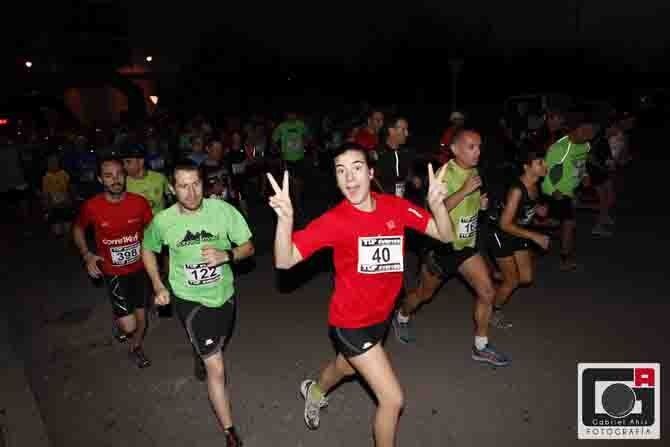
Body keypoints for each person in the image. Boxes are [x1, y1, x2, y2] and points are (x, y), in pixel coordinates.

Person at [267, 143, 454, 447]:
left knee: (345, 367)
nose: (349, 178)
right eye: (341, 171)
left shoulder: (395, 207)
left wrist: (438, 205)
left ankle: (314, 391)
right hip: (349, 322)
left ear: (370, 173)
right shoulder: (335, 220)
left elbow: (445, 234)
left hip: (381, 317)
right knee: (392, 399)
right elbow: (284, 260)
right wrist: (285, 220)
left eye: (356, 168)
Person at [142, 160, 254, 447]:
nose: (191, 193)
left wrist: (226, 255)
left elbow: (248, 247)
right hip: (189, 299)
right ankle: (229, 432)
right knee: (216, 367)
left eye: (196, 184)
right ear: (172, 188)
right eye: (183, 186)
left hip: (224, 295)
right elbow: (148, 248)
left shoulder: (222, 210)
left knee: (217, 343)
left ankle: (200, 349)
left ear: (203, 183)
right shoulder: (163, 221)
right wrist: (158, 284)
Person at [393, 129, 511, 367]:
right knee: (423, 295)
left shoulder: (473, 170)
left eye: (479, 146)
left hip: (466, 247)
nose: (477, 152)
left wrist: (480, 205)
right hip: (442, 247)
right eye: (471, 147)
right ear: (455, 149)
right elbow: (435, 208)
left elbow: (467, 206)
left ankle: (480, 346)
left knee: (487, 292)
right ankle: (402, 315)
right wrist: (465, 190)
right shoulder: (445, 173)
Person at [72, 157, 153, 368]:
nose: (115, 180)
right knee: (129, 326)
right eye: (108, 176)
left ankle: (135, 347)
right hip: (113, 272)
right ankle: (121, 321)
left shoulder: (139, 202)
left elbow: (152, 231)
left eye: (119, 174)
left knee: (142, 319)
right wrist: (87, 255)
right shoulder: (92, 206)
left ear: (125, 176)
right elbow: (78, 229)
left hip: (140, 269)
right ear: (100, 179)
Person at [486, 150, 551, 328]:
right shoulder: (517, 190)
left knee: (526, 277)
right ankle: (493, 310)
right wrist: (535, 236)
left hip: (517, 231)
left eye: (544, 162)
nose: (545, 166)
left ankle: (497, 275)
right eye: (540, 163)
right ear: (526, 167)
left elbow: (526, 208)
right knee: (512, 281)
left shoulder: (536, 185)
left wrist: (536, 210)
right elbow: (504, 224)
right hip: (500, 233)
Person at [541, 113, 595, 271]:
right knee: (569, 223)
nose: (589, 134)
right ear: (574, 129)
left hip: (571, 191)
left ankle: (527, 222)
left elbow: (581, 163)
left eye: (591, 131)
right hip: (558, 191)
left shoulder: (586, 145)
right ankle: (565, 258)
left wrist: (585, 175)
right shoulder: (559, 148)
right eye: (585, 130)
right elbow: (545, 174)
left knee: (555, 222)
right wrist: (553, 191)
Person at [42, 152, 74, 238]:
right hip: (54, 206)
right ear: (47, 164)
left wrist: (70, 199)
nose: (53, 164)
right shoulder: (46, 176)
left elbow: (70, 187)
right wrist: (47, 207)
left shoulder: (64, 173)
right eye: (50, 162)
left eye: (55, 162)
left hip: (65, 204)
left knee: (68, 230)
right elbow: (45, 193)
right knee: (57, 232)